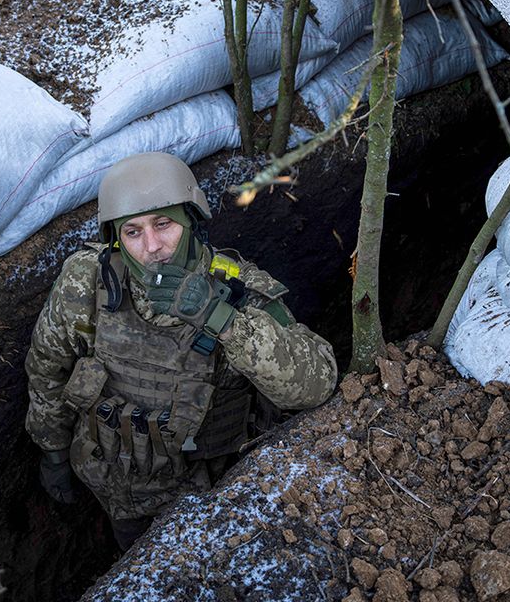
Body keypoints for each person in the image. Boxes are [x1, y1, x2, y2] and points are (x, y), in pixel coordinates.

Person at [25, 152, 338, 550]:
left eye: (163, 224)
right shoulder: (87, 280)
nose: (153, 247)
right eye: (133, 232)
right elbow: (47, 366)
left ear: (191, 220)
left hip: (216, 498)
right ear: (116, 239)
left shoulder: (239, 290)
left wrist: (220, 317)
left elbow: (317, 386)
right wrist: (51, 448)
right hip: (120, 491)